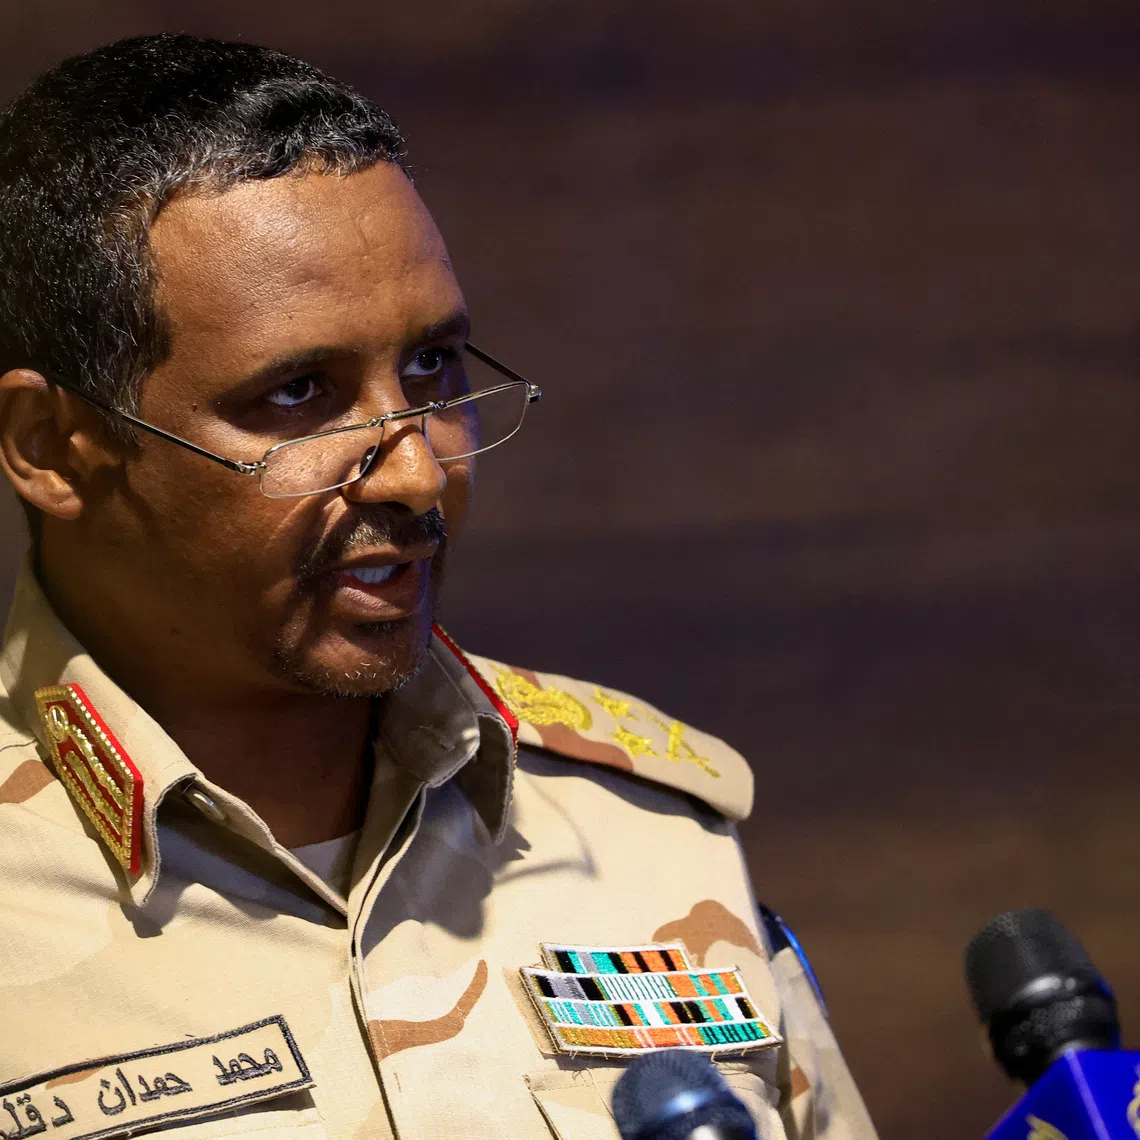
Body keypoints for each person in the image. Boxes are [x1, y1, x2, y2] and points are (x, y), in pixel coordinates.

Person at [0, 34, 876, 1140]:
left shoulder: (643, 821)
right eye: (299, 393)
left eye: (430, 368)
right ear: (52, 445)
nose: (418, 470)